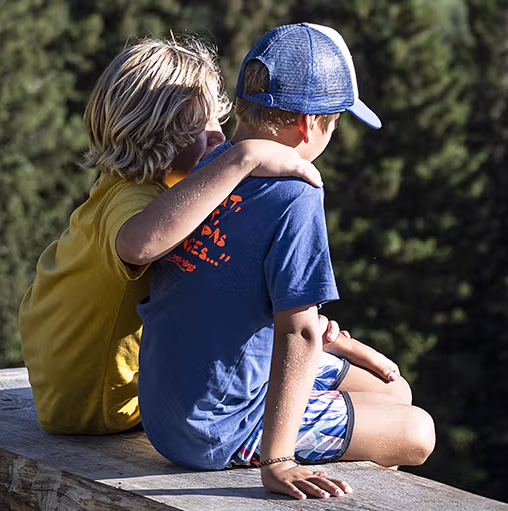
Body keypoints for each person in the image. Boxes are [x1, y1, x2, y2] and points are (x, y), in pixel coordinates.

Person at [137, 22, 436, 500]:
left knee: (394, 391)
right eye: (336, 123)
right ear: (310, 124)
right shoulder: (294, 194)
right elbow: (297, 331)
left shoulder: (211, 165)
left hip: (167, 411)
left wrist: (333, 345)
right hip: (217, 429)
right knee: (417, 431)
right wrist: (279, 460)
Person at [20, 34, 326, 435]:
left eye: (219, 120)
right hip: (98, 405)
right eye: (202, 125)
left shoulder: (134, 190)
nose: (219, 136)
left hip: (78, 393)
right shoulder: (132, 198)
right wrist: (242, 157)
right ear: (157, 134)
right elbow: (139, 244)